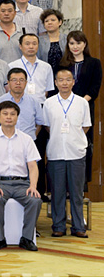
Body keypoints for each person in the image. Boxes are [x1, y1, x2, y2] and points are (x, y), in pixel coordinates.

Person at [0, 101, 42, 251]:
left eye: (12, 114)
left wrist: (33, 186)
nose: (9, 117)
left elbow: (33, 166)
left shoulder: (26, 139)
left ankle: (27, 238)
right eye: (5, 114)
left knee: (35, 200)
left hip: (22, 184)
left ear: (17, 117)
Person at [42, 67, 90, 238]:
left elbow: (85, 126)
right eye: (61, 80)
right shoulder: (49, 103)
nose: (64, 83)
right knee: (57, 192)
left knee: (77, 193)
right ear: (55, 83)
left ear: (73, 82)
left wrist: (73, 138)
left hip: (76, 153)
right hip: (56, 153)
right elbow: (47, 126)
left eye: (68, 79)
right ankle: (59, 226)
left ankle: (78, 226)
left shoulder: (82, 103)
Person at [61, 30, 102, 186]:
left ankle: (82, 184)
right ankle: (64, 184)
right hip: (64, 108)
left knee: (83, 143)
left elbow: (95, 87)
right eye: (72, 43)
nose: (75, 46)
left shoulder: (94, 63)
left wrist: (79, 102)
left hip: (85, 107)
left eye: (78, 43)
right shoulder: (62, 63)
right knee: (65, 142)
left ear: (85, 44)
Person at [0, 68, 46, 139]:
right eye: (14, 80)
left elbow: (39, 123)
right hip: (4, 141)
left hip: (28, 142)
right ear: (8, 82)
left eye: (21, 80)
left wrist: (32, 138)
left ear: (26, 82)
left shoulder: (34, 102)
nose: (18, 83)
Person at [9, 33, 54, 105]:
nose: (31, 47)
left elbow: (47, 91)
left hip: (40, 105)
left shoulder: (46, 67)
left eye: (34, 44)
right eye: (27, 44)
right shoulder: (12, 66)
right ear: (20, 46)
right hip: (19, 105)